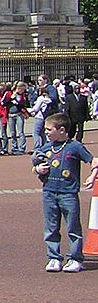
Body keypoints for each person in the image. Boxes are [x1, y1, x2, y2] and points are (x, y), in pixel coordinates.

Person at [35, 113, 96, 272]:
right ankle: (54, 257)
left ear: (62, 130)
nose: (46, 132)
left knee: (73, 227)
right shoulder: (46, 148)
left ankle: (75, 258)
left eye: (49, 129)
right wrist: (38, 169)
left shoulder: (75, 147)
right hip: (49, 192)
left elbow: (93, 161)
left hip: (68, 194)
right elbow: (36, 162)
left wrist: (92, 175)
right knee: (51, 227)